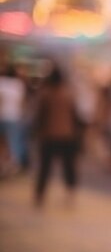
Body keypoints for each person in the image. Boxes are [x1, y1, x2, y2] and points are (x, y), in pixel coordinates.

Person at [33, 61, 85, 207]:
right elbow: (76, 116)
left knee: (44, 167)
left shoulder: (45, 94)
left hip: (49, 135)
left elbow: (40, 116)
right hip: (67, 135)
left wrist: (38, 132)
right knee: (68, 167)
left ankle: (40, 195)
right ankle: (70, 195)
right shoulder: (69, 94)